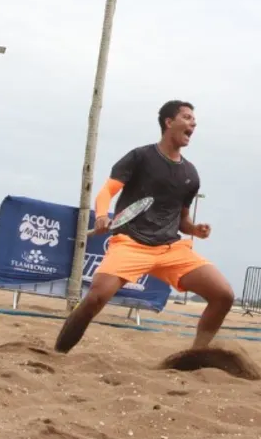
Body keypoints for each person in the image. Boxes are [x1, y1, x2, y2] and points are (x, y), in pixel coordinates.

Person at [54, 100, 235, 354]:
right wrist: (102, 215)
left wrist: (195, 230)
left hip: (170, 248)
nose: (193, 122)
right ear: (168, 122)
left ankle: (195, 355)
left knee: (223, 295)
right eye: (186, 117)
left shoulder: (191, 174)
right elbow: (108, 191)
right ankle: (59, 353)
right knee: (95, 297)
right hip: (130, 244)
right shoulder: (140, 157)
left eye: (194, 119)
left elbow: (182, 220)